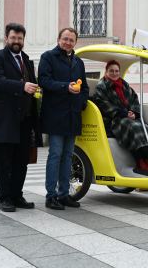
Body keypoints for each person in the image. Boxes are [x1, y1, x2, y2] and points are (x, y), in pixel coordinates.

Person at [0, 23, 42, 212]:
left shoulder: (26, 60)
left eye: (20, 38)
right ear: (6, 39)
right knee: (4, 162)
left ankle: (17, 195)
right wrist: (22, 86)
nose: (17, 41)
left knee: (21, 161)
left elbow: (30, 85)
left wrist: (36, 91)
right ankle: (5, 198)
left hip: (25, 119)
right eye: (13, 38)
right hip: (4, 120)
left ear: (23, 40)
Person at [38, 28, 89, 210]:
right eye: (65, 39)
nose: (68, 42)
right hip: (55, 115)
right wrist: (65, 87)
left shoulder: (78, 62)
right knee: (55, 155)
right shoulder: (48, 57)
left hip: (73, 115)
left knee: (68, 156)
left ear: (75, 43)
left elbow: (84, 89)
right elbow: (43, 81)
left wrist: (81, 103)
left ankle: (64, 194)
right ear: (58, 39)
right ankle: (51, 196)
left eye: (72, 40)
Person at [93, 60, 148, 176]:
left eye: (116, 71)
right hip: (113, 119)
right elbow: (104, 105)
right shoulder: (101, 87)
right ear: (106, 72)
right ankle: (139, 162)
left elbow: (134, 99)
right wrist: (124, 113)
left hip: (127, 116)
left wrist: (134, 112)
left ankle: (146, 159)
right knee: (133, 127)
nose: (114, 73)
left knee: (144, 126)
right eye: (111, 71)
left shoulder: (124, 84)